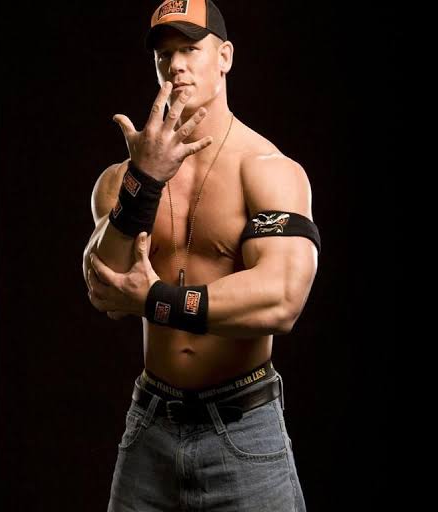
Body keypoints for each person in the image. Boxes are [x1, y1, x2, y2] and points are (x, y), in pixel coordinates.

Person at [83, 1, 321, 510]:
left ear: (225, 57)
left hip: (243, 427)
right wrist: (144, 183)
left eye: (190, 48)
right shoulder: (124, 180)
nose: (176, 65)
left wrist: (156, 301)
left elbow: (281, 299)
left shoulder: (266, 168)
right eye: (164, 54)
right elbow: (104, 282)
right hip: (150, 425)